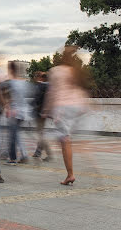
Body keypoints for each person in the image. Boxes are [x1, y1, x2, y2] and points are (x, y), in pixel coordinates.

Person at [42, 46, 88, 185]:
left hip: (61, 109)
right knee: (66, 138)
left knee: (65, 140)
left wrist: (46, 111)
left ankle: (70, 174)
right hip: (76, 108)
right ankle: (71, 170)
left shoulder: (54, 71)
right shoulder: (74, 71)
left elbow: (51, 93)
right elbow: (79, 88)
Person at [4, 61, 29, 165]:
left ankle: (13, 158)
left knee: (12, 136)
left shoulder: (11, 82)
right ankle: (24, 154)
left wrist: (8, 107)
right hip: (23, 112)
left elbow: (8, 97)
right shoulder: (23, 82)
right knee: (16, 134)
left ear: (10, 70)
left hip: (14, 112)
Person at [31, 72, 52, 161]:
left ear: (40, 78)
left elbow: (37, 100)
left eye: (37, 76)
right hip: (44, 113)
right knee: (41, 133)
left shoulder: (40, 86)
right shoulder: (48, 86)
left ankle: (49, 153)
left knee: (40, 134)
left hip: (40, 114)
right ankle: (38, 151)